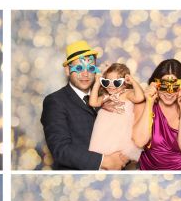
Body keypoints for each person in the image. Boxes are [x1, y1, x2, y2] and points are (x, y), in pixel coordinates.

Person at [41, 41, 129, 170]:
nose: (85, 74)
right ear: (67, 70)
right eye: (79, 68)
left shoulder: (106, 96)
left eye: (90, 68)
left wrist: (124, 156)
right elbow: (61, 149)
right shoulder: (55, 101)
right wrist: (104, 161)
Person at [133, 59, 181, 171]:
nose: (169, 92)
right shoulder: (143, 104)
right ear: (155, 84)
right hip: (150, 175)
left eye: (175, 87)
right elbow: (139, 141)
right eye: (164, 86)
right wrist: (149, 103)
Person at [88, 63, 144, 162]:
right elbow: (93, 102)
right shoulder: (106, 96)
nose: (111, 85)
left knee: (115, 161)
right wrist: (97, 83)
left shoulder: (126, 93)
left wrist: (133, 81)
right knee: (101, 161)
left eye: (116, 82)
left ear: (125, 83)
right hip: (102, 136)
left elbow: (140, 97)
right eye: (106, 82)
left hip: (118, 136)